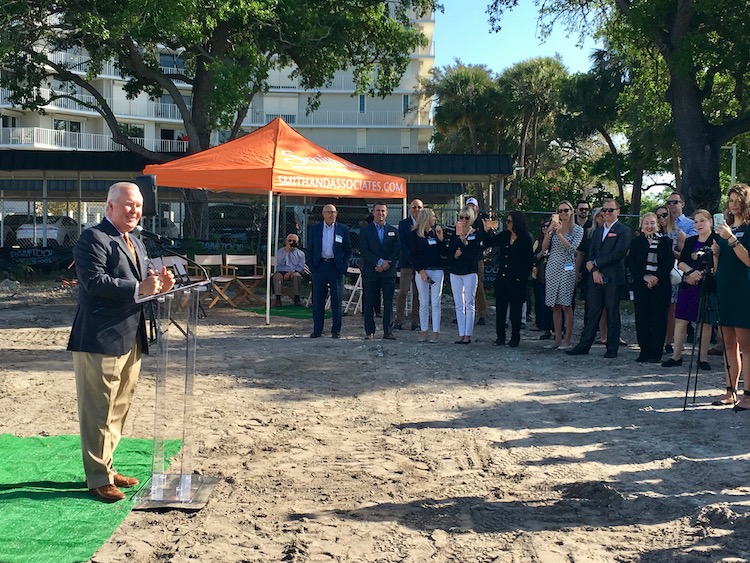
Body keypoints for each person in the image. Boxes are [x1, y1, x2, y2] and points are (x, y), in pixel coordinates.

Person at [67, 182, 175, 502]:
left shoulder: (137, 243)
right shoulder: (93, 238)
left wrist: (159, 287)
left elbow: (142, 288)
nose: (134, 211)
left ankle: (108, 468)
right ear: (109, 206)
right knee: (98, 410)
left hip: (132, 336)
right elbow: (95, 282)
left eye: (138, 206)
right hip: (100, 337)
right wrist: (140, 287)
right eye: (127, 205)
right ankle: (98, 478)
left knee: (118, 409)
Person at [567, 198, 632, 358]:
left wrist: (595, 263)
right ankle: (584, 345)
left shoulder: (624, 231)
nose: (607, 213)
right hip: (595, 278)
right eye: (605, 210)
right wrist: (594, 270)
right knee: (592, 313)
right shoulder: (597, 231)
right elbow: (591, 252)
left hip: (613, 278)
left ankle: (612, 348)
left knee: (612, 313)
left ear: (618, 212)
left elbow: (618, 254)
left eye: (611, 210)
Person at [711, 184, 750, 409]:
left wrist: (732, 238)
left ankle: (748, 394)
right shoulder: (724, 228)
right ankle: (730, 391)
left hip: (743, 290)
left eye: (738, 200)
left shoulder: (746, 229)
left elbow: (747, 260)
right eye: (731, 200)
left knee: (746, 346)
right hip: (724, 289)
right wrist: (716, 253)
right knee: (728, 344)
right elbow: (720, 267)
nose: (733, 204)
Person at [661, 209, 715, 369]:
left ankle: (703, 358)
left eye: (702, 221)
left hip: (707, 286)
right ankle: (676, 356)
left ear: (710, 222)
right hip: (688, 284)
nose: (699, 224)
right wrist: (691, 273)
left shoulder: (717, 241)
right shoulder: (690, 241)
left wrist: (702, 274)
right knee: (681, 320)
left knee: (705, 323)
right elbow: (682, 262)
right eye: (696, 221)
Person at [628, 212, 673, 363]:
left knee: (659, 319)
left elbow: (668, 262)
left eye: (652, 223)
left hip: (661, 285)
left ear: (658, 225)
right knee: (642, 318)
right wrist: (644, 277)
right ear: (641, 226)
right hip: (641, 285)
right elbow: (631, 263)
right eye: (646, 223)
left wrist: (656, 277)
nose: (649, 226)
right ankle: (644, 351)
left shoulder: (665, 242)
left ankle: (656, 352)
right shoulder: (636, 243)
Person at [485, 210, 534, 347]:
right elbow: (489, 242)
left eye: (509, 221)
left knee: (515, 311)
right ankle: (500, 337)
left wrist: (521, 279)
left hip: (517, 281)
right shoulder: (505, 236)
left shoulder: (525, 239)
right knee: (500, 310)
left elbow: (529, 262)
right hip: (503, 279)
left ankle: (515, 337)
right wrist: (487, 230)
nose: (507, 224)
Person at [542, 200, 584, 351]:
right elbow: (544, 247)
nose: (563, 213)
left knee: (566, 304)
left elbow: (572, 249)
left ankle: (568, 339)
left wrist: (559, 233)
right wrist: (549, 232)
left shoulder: (578, 230)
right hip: (553, 266)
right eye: (560, 211)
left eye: (566, 210)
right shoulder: (553, 229)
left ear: (571, 211)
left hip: (567, 267)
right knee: (554, 305)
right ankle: (557, 338)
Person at [308, 204, 352, 339]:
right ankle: (317, 330)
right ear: (323, 214)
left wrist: (344, 265)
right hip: (320, 266)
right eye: (329, 212)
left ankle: (336, 330)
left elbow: (348, 250)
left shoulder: (342, 229)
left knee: (337, 300)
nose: (332, 215)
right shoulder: (315, 229)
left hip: (335, 267)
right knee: (318, 300)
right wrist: (312, 266)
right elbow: (310, 249)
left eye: (334, 212)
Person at [359, 202, 400, 340]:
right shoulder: (365, 230)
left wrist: (386, 263)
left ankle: (388, 331)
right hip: (371, 271)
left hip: (388, 272)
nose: (380, 213)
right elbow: (364, 251)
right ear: (373, 212)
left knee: (388, 302)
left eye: (383, 211)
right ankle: (369, 331)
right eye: (378, 211)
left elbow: (397, 250)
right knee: (369, 302)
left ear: (386, 213)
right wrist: (378, 262)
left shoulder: (394, 231)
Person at [410, 208, 447, 343]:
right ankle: (424, 331)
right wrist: (420, 271)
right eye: (433, 217)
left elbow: (443, 253)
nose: (435, 219)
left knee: (436, 302)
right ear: (427, 218)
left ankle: (436, 332)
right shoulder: (415, 234)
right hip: (422, 272)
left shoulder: (435, 233)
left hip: (437, 270)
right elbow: (413, 254)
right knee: (423, 302)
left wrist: (441, 239)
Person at [447, 206, 481, 344]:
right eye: (461, 217)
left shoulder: (475, 234)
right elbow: (449, 254)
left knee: (469, 303)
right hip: (456, 272)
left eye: (467, 217)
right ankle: (461, 333)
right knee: (459, 304)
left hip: (470, 272)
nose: (464, 220)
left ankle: (468, 334)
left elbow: (474, 254)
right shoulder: (455, 235)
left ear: (471, 218)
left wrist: (465, 243)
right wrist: (454, 255)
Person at [656, 204, 687, 354]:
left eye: (664, 215)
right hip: (655, 274)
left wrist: (671, 251)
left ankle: (668, 341)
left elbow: (685, 256)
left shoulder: (677, 233)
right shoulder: (652, 232)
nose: (661, 218)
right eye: (658, 216)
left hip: (671, 275)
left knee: (671, 309)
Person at [394, 199, 422, 331]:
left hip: (420, 265)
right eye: (414, 207)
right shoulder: (403, 224)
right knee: (403, 291)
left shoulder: (425, 223)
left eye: (419, 207)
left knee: (418, 293)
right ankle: (399, 320)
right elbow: (402, 243)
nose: (417, 210)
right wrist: (412, 258)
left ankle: (415, 320)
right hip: (407, 263)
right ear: (410, 209)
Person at [465, 197, 487, 325]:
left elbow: (486, 240)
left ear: (477, 208)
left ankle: (482, 313)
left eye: (473, 205)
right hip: (463, 259)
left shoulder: (480, 221)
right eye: (469, 205)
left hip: (477, 258)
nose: (471, 208)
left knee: (478, 286)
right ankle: (463, 313)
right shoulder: (463, 221)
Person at [272, 233, 306, 306]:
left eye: (294, 241)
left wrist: (291, 272)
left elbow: (300, 267)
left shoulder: (301, 254)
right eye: (289, 241)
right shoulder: (280, 251)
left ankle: (297, 298)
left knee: (296, 276)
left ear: (297, 243)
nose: (291, 243)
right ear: (286, 241)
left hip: (294, 271)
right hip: (281, 271)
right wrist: (286, 252)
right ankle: (278, 298)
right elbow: (279, 262)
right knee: (277, 277)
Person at [532, 220, 553, 339]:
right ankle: (543, 326)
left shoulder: (555, 238)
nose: (545, 228)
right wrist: (540, 254)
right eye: (543, 226)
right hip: (540, 274)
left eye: (547, 226)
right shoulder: (538, 241)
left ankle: (558, 328)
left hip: (553, 273)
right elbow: (533, 256)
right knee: (541, 301)